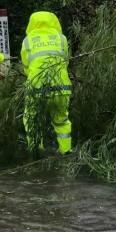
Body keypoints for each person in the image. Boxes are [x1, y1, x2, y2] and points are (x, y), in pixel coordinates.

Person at [20, 11, 72, 154]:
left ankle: (36, 151)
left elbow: (26, 65)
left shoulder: (27, 40)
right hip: (62, 87)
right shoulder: (61, 39)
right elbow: (66, 61)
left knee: (32, 119)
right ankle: (66, 151)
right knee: (61, 119)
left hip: (37, 87)